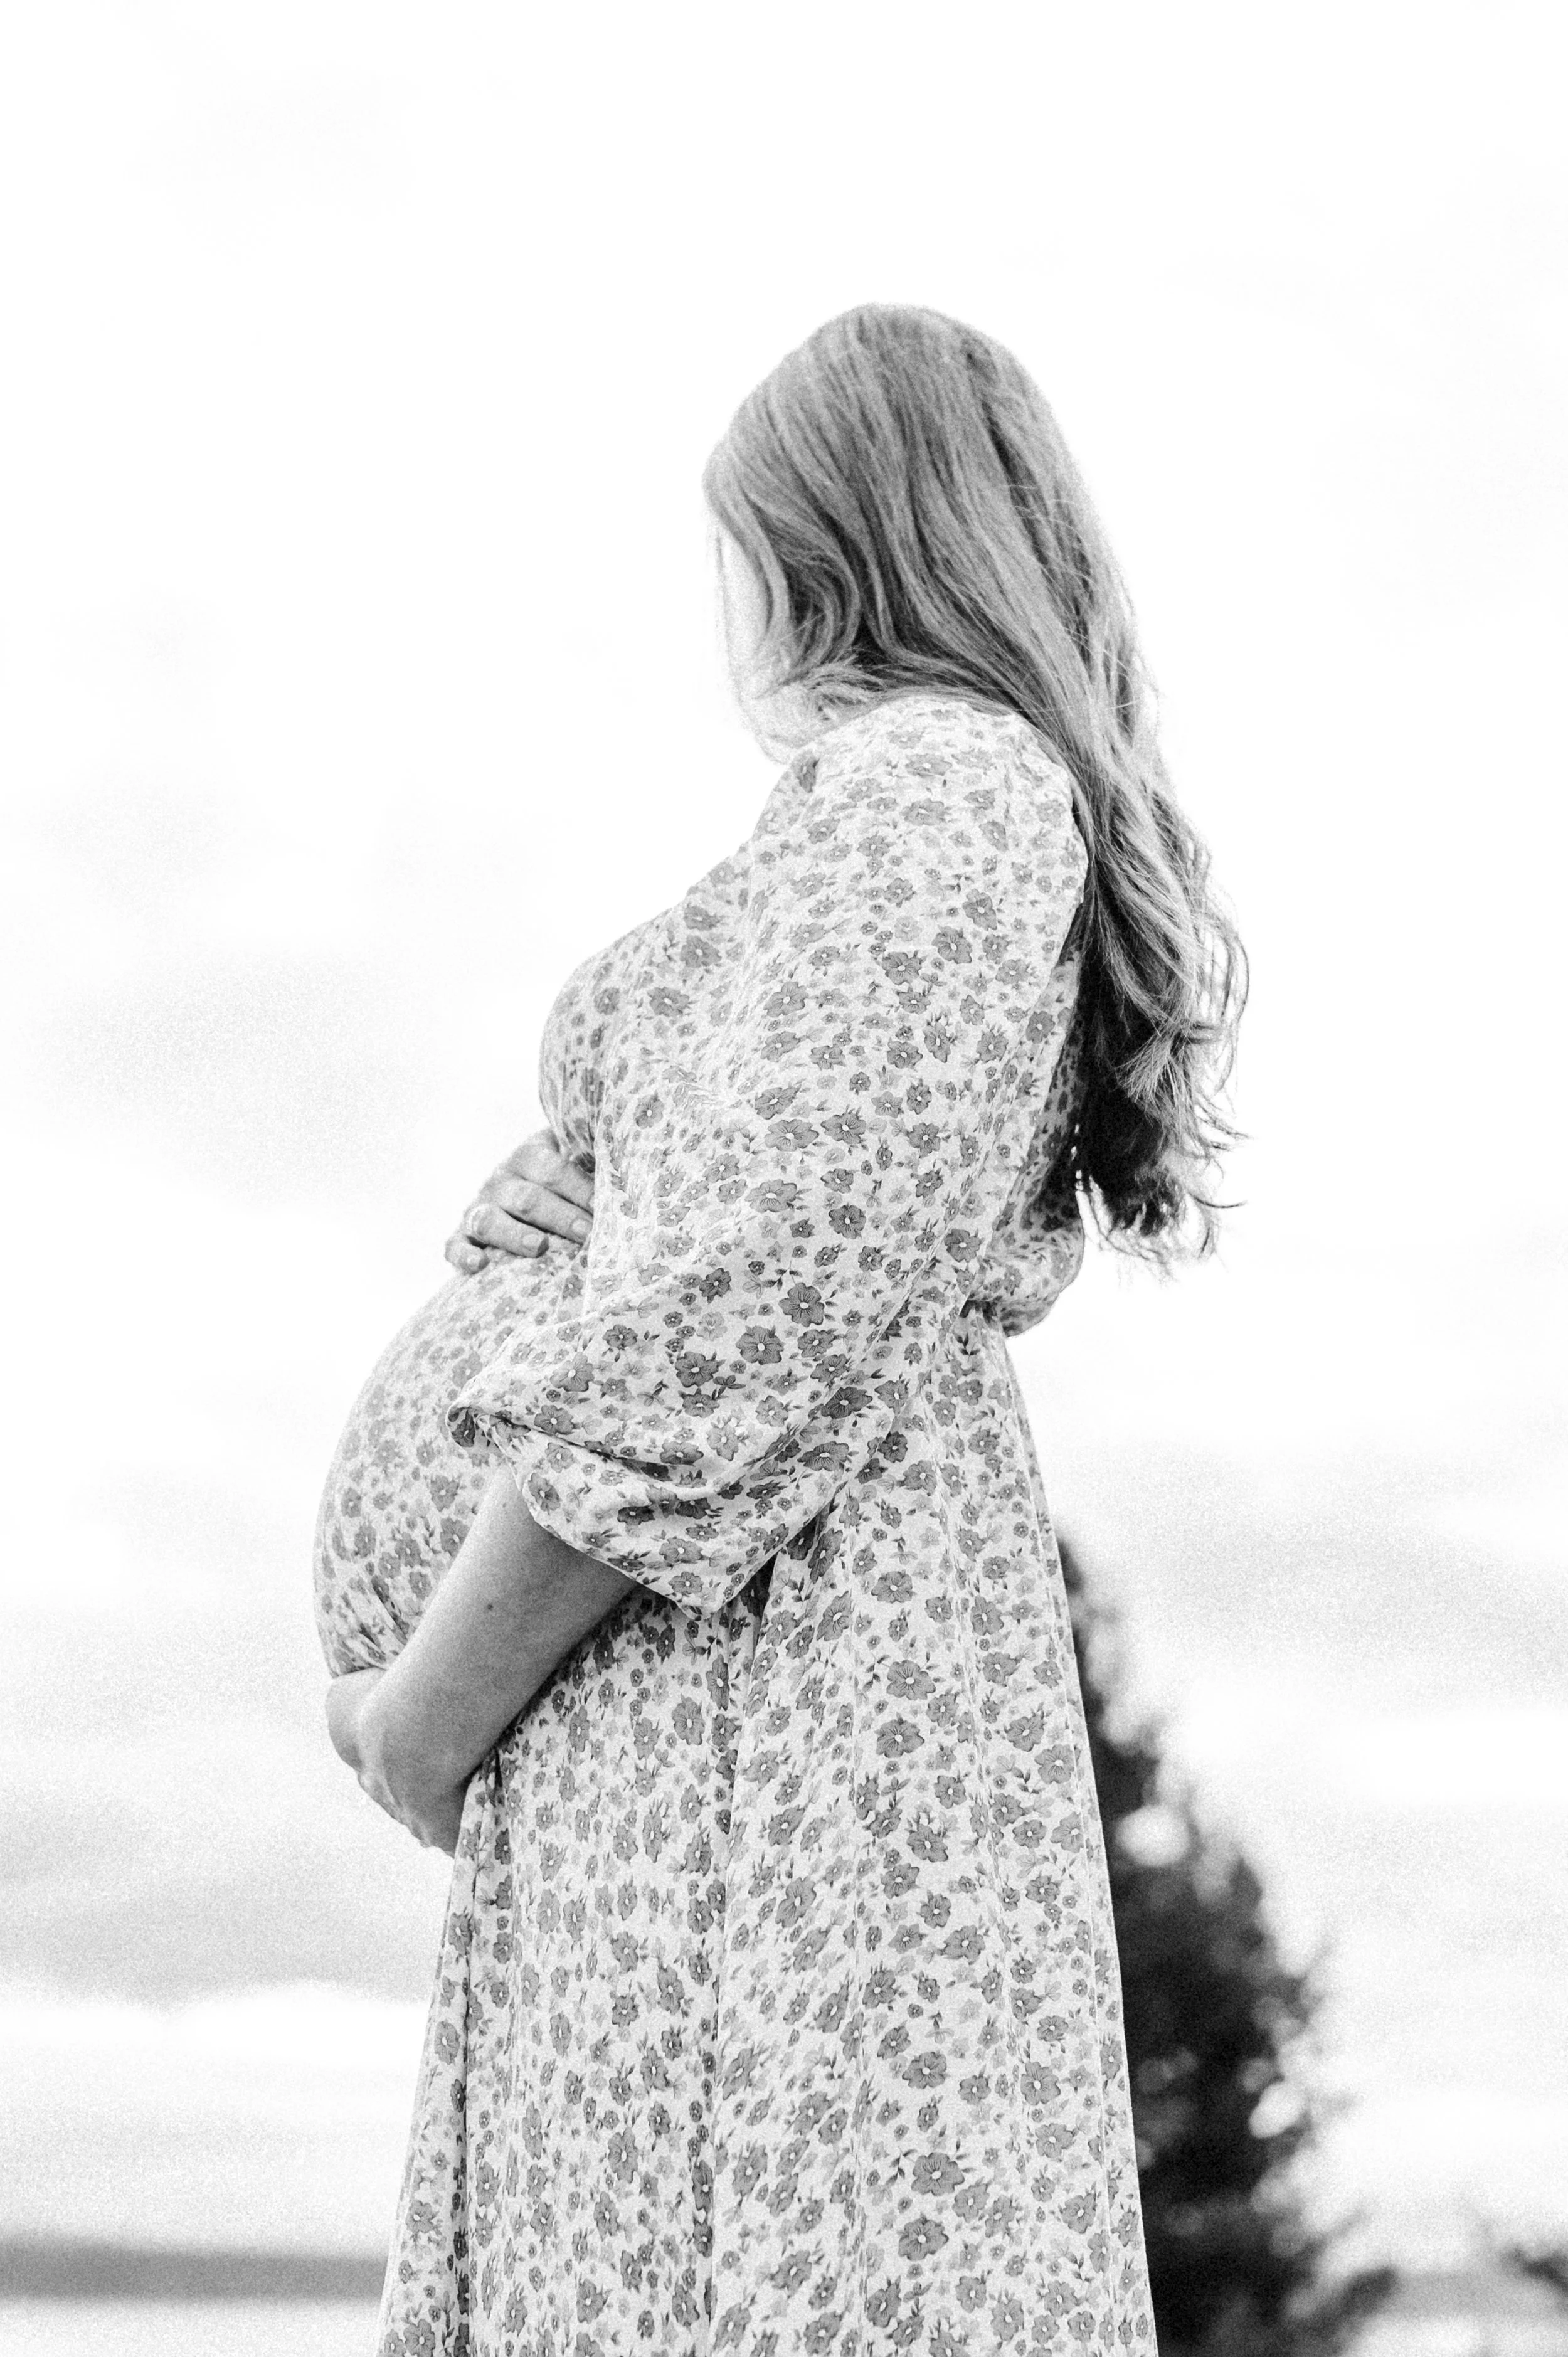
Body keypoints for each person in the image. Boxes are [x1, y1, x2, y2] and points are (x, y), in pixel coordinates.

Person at [315, 300, 1244, 2357]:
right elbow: (769, 1201)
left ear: (828, 535)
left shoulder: (937, 783)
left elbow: (752, 1299)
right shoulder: (916, 816)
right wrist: (566, 1183)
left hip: (756, 1730)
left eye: (743, 547)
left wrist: (424, 1709)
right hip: (676, 1740)